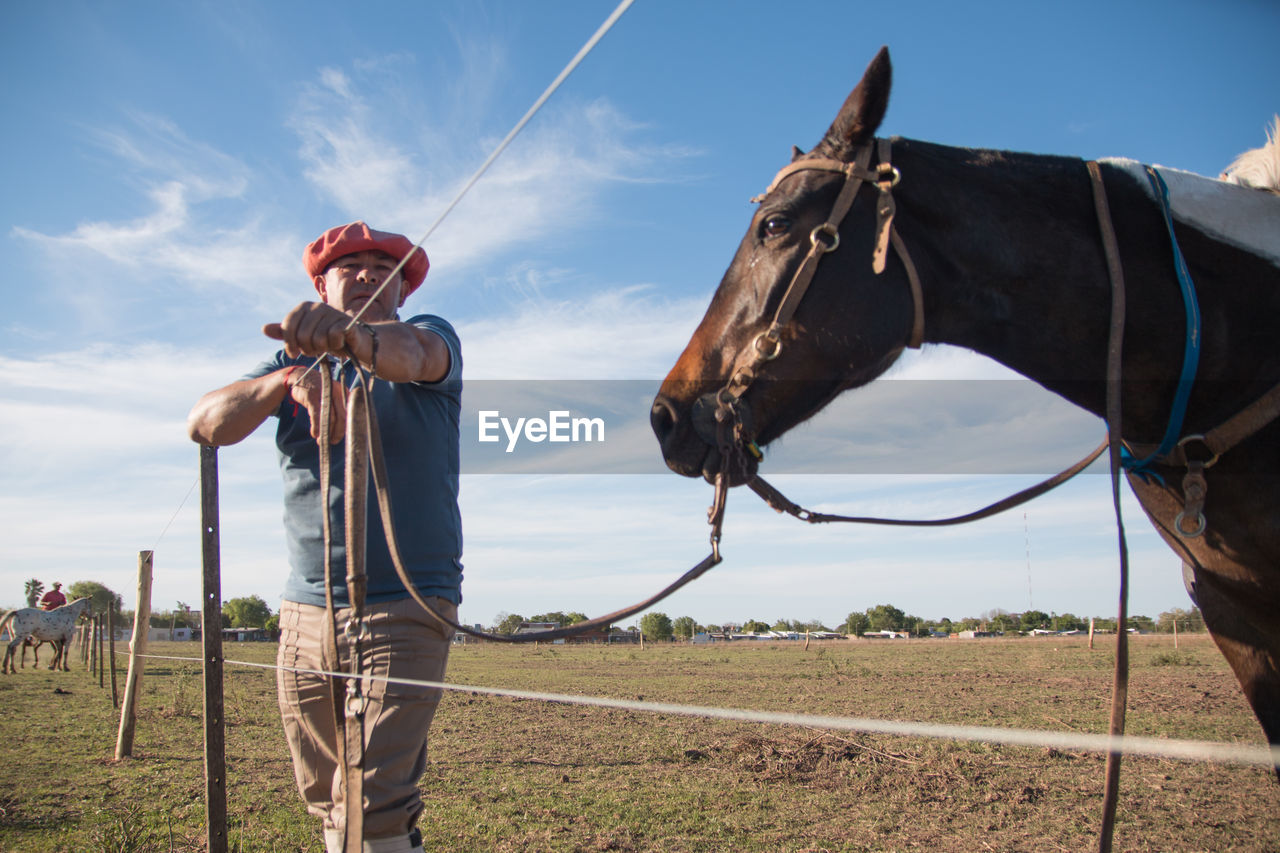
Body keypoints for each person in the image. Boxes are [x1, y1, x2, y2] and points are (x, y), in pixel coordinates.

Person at [187, 222, 463, 853]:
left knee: (370, 805)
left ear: (403, 286)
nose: (368, 274)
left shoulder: (430, 338)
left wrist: (356, 340)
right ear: (321, 283)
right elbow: (205, 423)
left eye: (382, 267)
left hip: (407, 603)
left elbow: (416, 355)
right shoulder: (289, 363)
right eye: (351, 265)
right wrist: (284, 382)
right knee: (325, 795)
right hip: (305, 611)